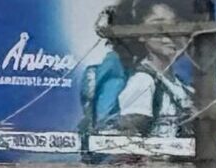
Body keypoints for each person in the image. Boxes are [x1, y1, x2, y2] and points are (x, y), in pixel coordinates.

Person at [83, 0, 194, 153]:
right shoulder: (144, 81)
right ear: (140, 34)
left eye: (175, 25)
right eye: (159, 26)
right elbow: (128, 139)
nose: (170, 35)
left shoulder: (181, 85)